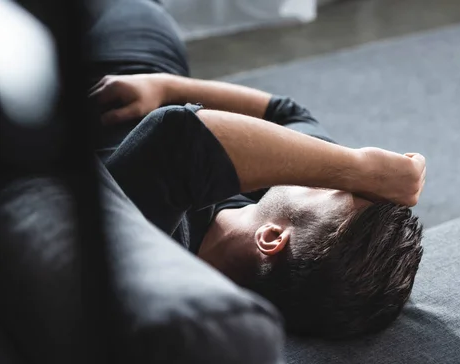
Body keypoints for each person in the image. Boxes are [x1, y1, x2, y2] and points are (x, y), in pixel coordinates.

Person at [87, 0, 426, 339]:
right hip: (139, 74)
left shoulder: (159, 251)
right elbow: (287, 113)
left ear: (272, 237)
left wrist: (357, 167)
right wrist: (163, 87)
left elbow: (180, 136)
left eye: (336, 187)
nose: (328, 174)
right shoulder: (278, 193)